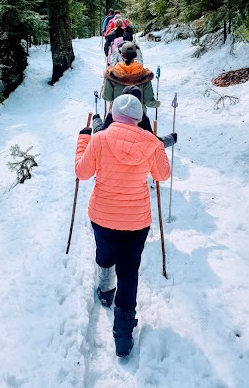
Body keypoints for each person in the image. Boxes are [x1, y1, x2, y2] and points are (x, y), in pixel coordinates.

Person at [75, 94, 171, 357]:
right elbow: (162, 175)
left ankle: (105, 292)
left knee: (105, 256)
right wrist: (158, 145)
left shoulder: (100, 139)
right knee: (129, 272)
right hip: (135, 221)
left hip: (103, 216)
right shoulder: (150, 143)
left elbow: (82, 173)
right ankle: (123, 334)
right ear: (139, 118)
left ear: (113, 115)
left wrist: (84, 139)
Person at [93, 85, 177, 148]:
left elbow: (100, 133)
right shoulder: (142, 117)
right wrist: (171, 139)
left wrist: (96, 120)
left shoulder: (113, 113)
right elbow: (154, 142)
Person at [103, 42, 156, 108]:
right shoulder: (144, 74)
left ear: (122, 56)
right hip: (138, 115)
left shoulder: (113, 74)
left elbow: (107, 97)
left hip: (118, 113)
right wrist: (157, 104)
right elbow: (149, 101)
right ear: (136, 56)